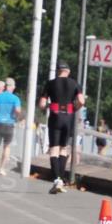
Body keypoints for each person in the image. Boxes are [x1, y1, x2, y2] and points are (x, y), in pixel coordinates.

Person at [38, 62, 85, 194]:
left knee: (54, 149)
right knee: (64, 149)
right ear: (68, 71)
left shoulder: (50, 83)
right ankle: (61, 179)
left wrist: (48, 107)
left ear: (58, 71)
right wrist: (74, 109)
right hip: (69, 117)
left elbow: (42, 104)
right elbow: (81, 101)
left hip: (55, 116)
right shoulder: (75, 84)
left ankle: (57, 179)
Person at [0, 78, 22, 175]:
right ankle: (2, 169)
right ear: (12, 87)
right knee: (7, 146)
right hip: (9, 123)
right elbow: (18, 110)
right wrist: (15, 115)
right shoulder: (15, 98)